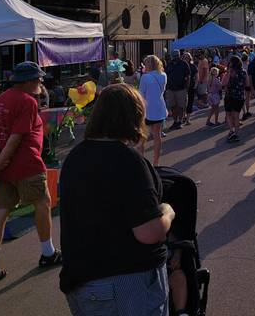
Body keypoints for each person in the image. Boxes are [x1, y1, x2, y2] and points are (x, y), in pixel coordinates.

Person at [59, 84, 175, 316]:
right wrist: (167, 212)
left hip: (82, 280)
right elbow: (148, 233)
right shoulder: (128, 160)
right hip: (126, 281)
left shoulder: (75, 156)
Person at [0, 61, 61, 290]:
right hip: (26, 165)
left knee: (1, 212)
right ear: (27, 81)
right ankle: (48, 252)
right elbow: (16, 140)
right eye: (37, 79)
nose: (40, 82)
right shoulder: (27, 102)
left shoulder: (1, 99)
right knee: (42, 203)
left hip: (4, 168)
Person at [138, 55, 168, 166]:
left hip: (147, 110)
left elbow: (141, 95)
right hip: (159, 108)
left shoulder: (145, 77)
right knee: (157, 136)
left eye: (145, 63)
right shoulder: (163, 75)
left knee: (142, 137)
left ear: (149, 64)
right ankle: (156, 162)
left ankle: (142, 162)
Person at [221, 56, 247, 142]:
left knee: (229, 114)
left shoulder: (229, 72)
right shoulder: (243, 72)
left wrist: (228, 73)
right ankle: (236, 133)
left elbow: (224, 83)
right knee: (236, 116)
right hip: (240, 96)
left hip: (230, 96)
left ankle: (231, 131)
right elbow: (247, 84)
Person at [165, 51, 190, 131]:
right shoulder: (169, 64)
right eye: (174, 56)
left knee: (181, 106)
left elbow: (188, 76)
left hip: (181, 88)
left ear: (179, 56)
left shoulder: (184, 64)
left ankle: (179, 121)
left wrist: (186, 87)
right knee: (172, 106)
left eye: (176, 56)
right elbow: (166, 75)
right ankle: (175, 121)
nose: (175, 58)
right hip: (170, 89)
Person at [184, 53, 198, 124]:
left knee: (190, 102)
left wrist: (195, 85)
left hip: (191, 86)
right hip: (182, 87)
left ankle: (188, 119)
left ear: (190, 58)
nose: (186, 58)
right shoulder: (182, 66)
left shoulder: (193, 66)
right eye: (185, 57)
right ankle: (183, 116)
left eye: (187, 57)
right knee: (183, 103)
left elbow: (196, 76)